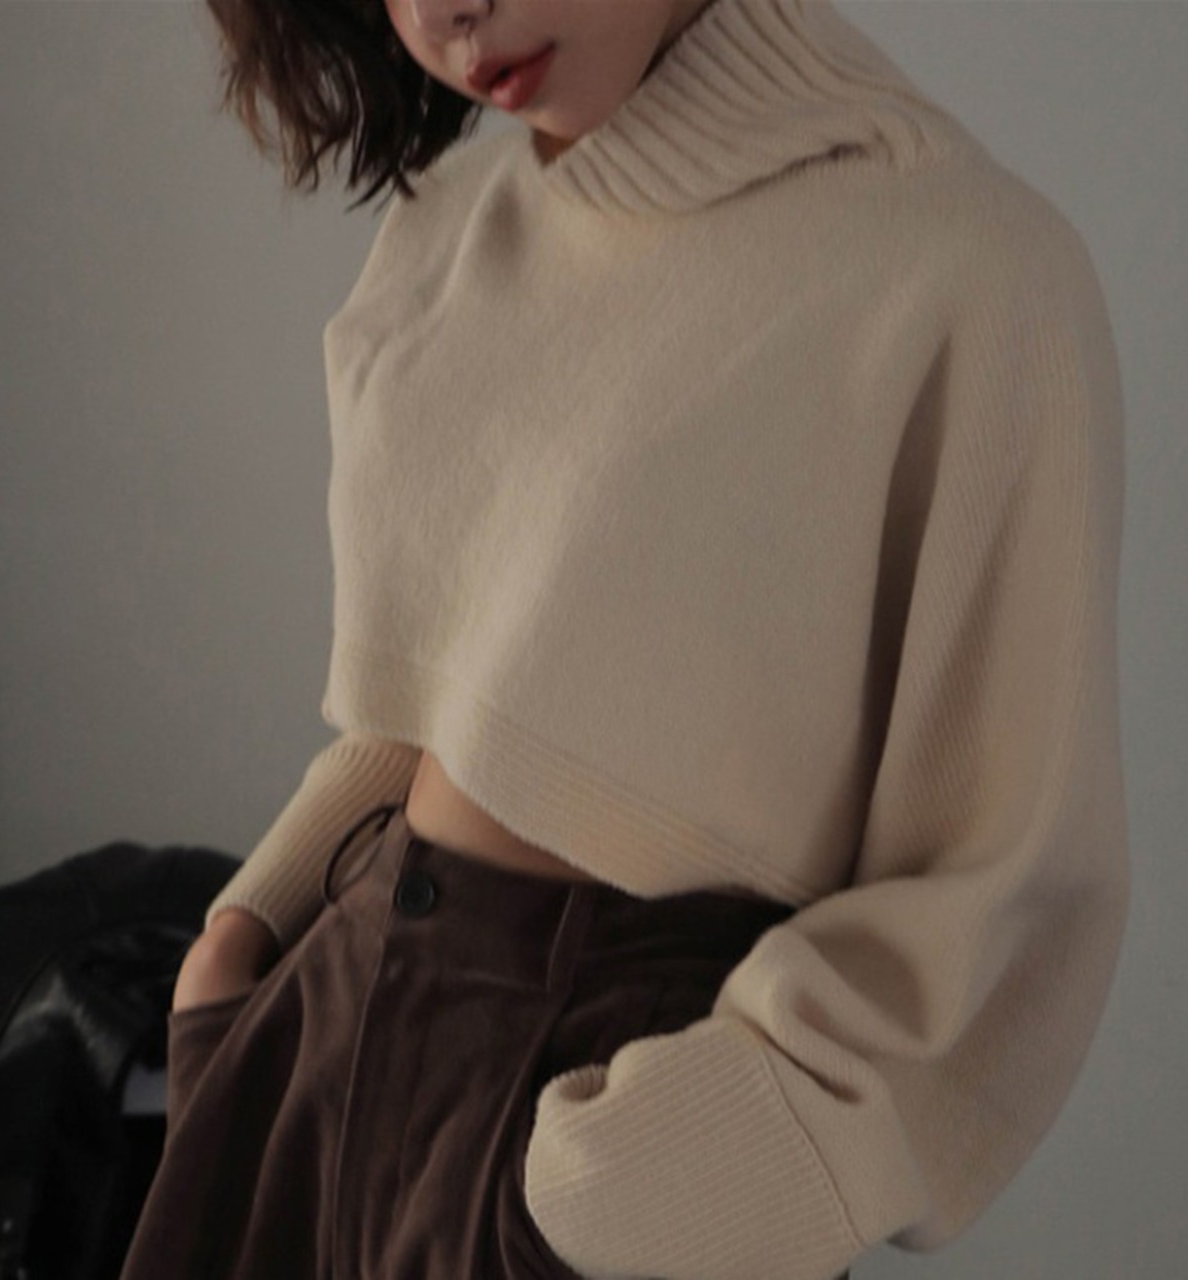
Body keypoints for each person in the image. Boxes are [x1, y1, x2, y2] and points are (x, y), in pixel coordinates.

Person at [122, 0, 1129, 1277]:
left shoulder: (963, 266)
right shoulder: (447, 230)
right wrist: (238, 948)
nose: (444, 14)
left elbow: (1000, 896)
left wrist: (601, 1198)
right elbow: (432, 717)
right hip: (310, 1062)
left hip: (600, 1132)